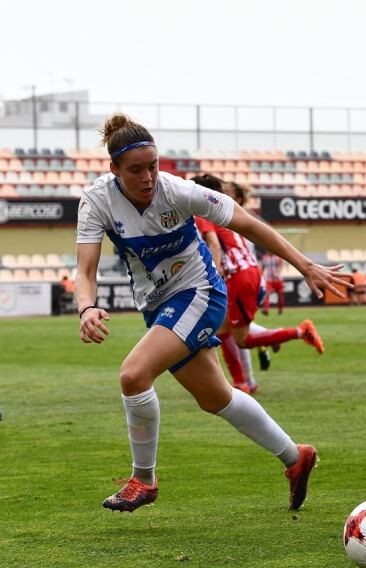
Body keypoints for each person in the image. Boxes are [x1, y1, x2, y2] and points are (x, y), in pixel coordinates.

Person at [75, 114, 350, 513]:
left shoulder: (178, 192)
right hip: (158, 305)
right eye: (135, 170)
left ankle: (143, 480)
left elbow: (249, 224)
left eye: (153, 165)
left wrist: (303, 264)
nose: (148, 176)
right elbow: (85, 270)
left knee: (133, 375)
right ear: (113, 169)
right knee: (216, 398)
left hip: (199, 291)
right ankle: (296, 457)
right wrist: (86, 306)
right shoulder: (96, 200)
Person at [192, 175, 325, 394]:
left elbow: (214, 244)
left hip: (239, 277)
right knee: (223, 328)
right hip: (249, 275)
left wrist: (211, 277)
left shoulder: (205, 209)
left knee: (241, 339)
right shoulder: (229, 216)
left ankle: (300, 332)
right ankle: (243, 383)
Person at [261, 251, 286, 315]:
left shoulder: (278, 257)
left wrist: (278, 273)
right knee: (266, 293)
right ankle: (266, 309)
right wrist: (260, 276)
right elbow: (263, 268)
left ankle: (280, 309)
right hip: (269, 280)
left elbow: (281, 266)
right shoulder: (265, 258)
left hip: (278, 280)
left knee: (280, 295)